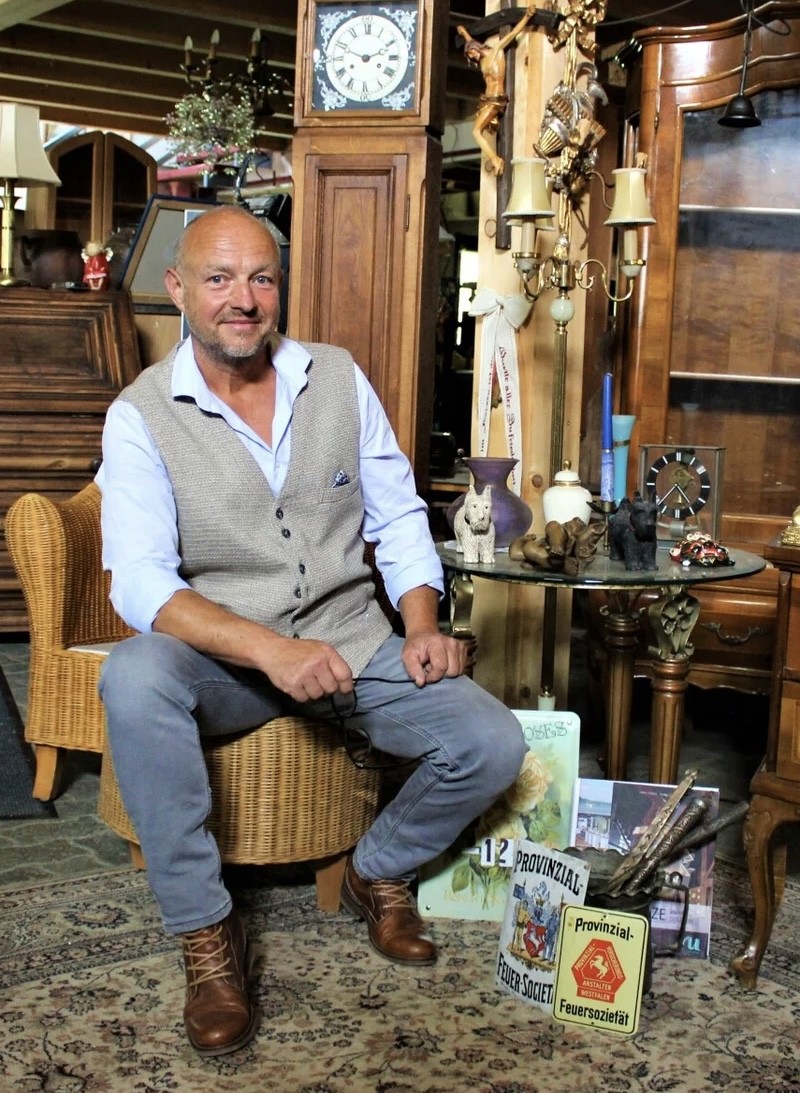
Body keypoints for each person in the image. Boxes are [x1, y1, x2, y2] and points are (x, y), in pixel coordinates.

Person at [97, 206, 527, 1058]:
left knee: (492, 742)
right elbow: (141, 582)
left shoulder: (335, 376)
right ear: (178, 289)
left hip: (352, 640)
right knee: (135, 675)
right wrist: (270, 650)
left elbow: (398, 516)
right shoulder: (139, 414)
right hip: (226, 662)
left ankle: (378, 868)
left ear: (279, 287)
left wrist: (421, 624)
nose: (243, 299)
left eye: (261, 277)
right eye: (219, 279)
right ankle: (207, 934)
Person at [457, 7, 536, 176]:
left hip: (496, 99)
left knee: (476, 132)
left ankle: (495, 160)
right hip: (487, 100)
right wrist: (463, 32)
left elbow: (513, 33)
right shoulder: (482, 61)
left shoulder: (497, 51)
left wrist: (527, 17)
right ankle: (495, 159)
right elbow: (470, 41)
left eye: (471, 53)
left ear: (476, 48)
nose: (472, 57)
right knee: (478, 131)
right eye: (469, 56)